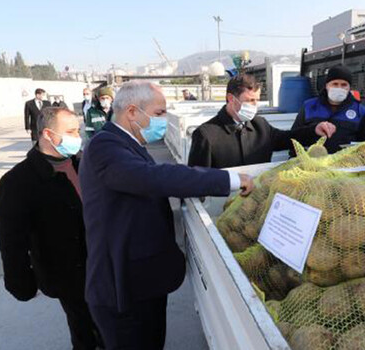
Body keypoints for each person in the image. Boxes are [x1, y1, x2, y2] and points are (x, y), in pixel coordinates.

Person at [78, 80, 254, 349]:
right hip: (122, 290)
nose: (163, 120)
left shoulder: (127, 143)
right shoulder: (105, 146)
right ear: (132, 112)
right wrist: (227, 179)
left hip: (142, 282)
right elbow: (154, 177)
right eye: (159, 114)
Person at [0, 107, 102, 349]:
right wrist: (21, 283)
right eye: (71, 131)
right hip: (69, 275)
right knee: (86, 330)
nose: (78, 137)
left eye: (78, 130)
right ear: (47, 134)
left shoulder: (83, 163)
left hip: (102, 264)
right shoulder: (18, 182)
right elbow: (12, 241)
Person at [188, 74, 336, 168]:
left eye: (257, 100)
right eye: (249, 100)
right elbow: (198, 179)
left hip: (257, 201)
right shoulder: (206, 135)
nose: (254, 106)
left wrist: (314, 130)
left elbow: (286, 139)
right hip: (221, 206)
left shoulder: (260, 125)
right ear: (231, 99)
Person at [290, 65, 365, 154]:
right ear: (327, 85)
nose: (339, 88)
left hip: (344, 164)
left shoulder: (360, 111)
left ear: (349, 87)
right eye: (335, 84)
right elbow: (295, 137)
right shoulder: (309, 106)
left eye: (344, 85)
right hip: (313, 164)